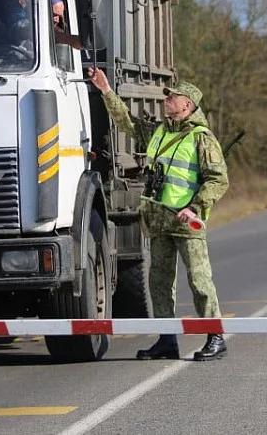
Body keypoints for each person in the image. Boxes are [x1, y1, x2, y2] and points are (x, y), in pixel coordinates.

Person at [88, 68, 230, 361]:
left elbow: (218, 180)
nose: (167, 101)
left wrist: (195, 206)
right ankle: (167, 340)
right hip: (159, 221)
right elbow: (126, 123)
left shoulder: (201, 138)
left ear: (187, 105)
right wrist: (106, 91)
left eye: (172, 98)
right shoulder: (159, 131)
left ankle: (215, 337)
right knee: (159, 283)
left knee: (200, 280)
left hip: (186, 222)